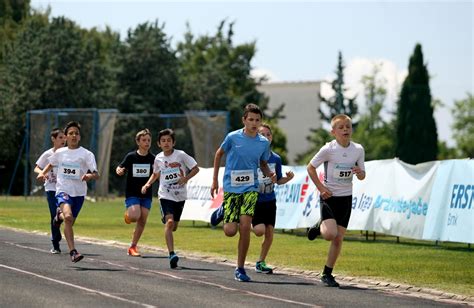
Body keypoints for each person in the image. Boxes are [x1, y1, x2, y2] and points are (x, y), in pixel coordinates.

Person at [210, 103, 275, 282]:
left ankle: (240, 268)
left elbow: (263, 163)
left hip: (251, 188)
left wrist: (270, 174)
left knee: (246, 226)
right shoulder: (232, 137)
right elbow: (218, 154)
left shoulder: (263, 143)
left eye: (257, 120)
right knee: (230, 230)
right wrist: (215, 180)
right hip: (232, 187)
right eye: (251, 120)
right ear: (244, 120)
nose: (254, 123)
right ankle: (224, 210)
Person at [306, 114, 365, 287]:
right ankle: (320, 226)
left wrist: (360, 173)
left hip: (346, 198)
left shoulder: (358, 149)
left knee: (338, 239)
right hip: (329, 197)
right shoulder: (328, 150)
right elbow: (310, 168)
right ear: (333, 132)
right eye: (341, 127)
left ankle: (327, 273)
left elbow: (362, 174)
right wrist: (321, 188)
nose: (345, 129)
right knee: (330, 234)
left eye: (348, 126)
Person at [37, 121, 100, 263]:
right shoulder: (60, 152)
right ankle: (73, 251)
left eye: (76, 133)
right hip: (62, 190)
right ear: (65, 137)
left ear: (79, 137)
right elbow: (51, 163)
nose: (73, 135)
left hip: (79, 193)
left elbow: (96, 174)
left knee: (69, 221)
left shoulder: (87, 154)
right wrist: (42, 173)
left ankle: (58, 217)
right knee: (69, 217)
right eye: (70, 133)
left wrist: (89, 176)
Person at [141, 128, 199, 269]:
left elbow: (196, 168)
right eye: (163, 141)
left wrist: (185, 178)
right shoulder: (158, 158)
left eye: (169, 141)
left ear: (173, 142)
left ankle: (168, 222)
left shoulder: (181, 155)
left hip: (180, 196)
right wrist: (147, 184)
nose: (166, 143)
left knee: (174, 226)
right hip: (165, 195)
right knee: (170, 222)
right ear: (159, 143)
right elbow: (155, 174)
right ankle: (172, 254)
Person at [252, 123, 294, 274]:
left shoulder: (276, 158)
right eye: (262, 134)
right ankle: (243, 221)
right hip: (255, 200)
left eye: (268, 134)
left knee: (269, 232)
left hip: (270, 200)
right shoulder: (252, 156)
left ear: (272, 138)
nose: (266, 137)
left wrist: (287, 179)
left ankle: (260, 262)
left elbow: (278, 180)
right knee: (259, 231)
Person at [116, 129, 155, 257]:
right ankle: (128, 215)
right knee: (134, 216)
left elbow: (158, 173)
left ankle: (133, 247)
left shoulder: (153, 158)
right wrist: (119, 170)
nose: (147, 143)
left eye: (149, 140)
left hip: (146, 194)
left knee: (142, 219)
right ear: (138, 142)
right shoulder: (131, 156)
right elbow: (120, 167)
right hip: (132, 193)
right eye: (144, 140)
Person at [34, 127, 66, 254]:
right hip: (51, 189)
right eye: (60, 137)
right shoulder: (48, 154)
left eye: (64, 137)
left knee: (66, 215)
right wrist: (42, 173)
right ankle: (55, 243)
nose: (63, 140)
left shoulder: (68, 154)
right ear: (53, 139)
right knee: (54, 215)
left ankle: (60, 235)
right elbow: (37, 168)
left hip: (65, 188)